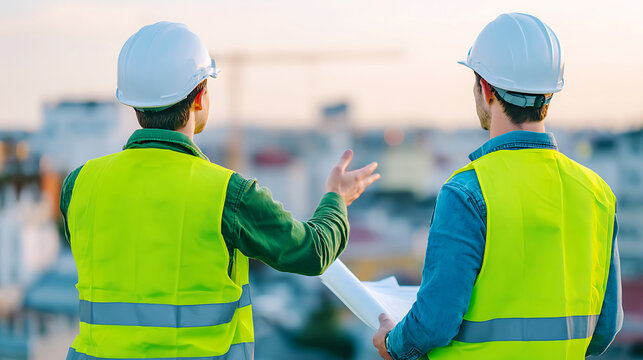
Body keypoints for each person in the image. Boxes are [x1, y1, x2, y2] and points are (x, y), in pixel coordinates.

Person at [60, 22, 380, 360]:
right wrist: (336, 199)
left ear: (132, 102)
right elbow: (312, 251)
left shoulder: (78, 184)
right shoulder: (229, 194)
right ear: (200, 95)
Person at [373, 13, 621, 360]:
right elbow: (604, 329)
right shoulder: (597, 193)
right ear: (550, 93)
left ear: (485, 88)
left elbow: (434, 324)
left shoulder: (467, 192)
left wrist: (393, 342)